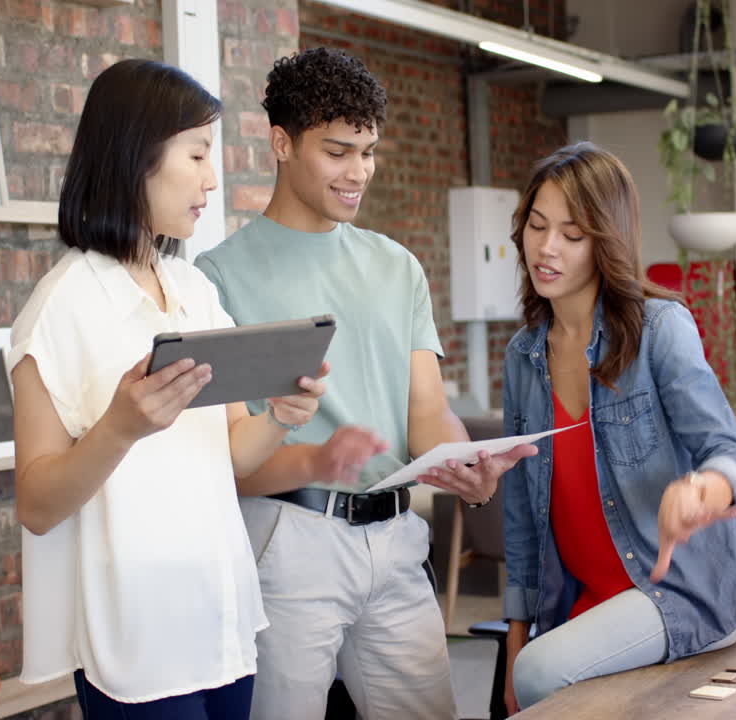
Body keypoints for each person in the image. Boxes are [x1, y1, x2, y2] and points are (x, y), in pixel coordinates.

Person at [8, 59, 362, 720]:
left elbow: (227, 457)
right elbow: (36, 503)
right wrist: (119, 427)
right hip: (137, 642)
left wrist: (283, 416)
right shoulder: (60, 307)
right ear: (137, 157)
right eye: (198, 153)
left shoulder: (194, 292)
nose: (212, 176)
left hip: (222, 619)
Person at [194, 47, 534, 720]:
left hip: (397, 539)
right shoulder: (216, 278)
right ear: (283, 143)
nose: (359, 174)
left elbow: (427, 413)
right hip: (286, 539)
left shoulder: (396, 267)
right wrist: (321, 459)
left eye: (369, 152)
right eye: (339, 151)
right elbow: (229, 461)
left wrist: (464, 462)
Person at [499, 142, 736, 713]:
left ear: (606, 242)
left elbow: (734, 456)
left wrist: (702, 491)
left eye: (572, 236)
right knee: (531, 673)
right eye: (537, 226)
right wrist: (515, 639)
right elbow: (521, 517)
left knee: (543, 670)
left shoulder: (659, 329)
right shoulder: (523, 357)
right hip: (591, 605)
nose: (546, 249)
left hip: (678, 592)